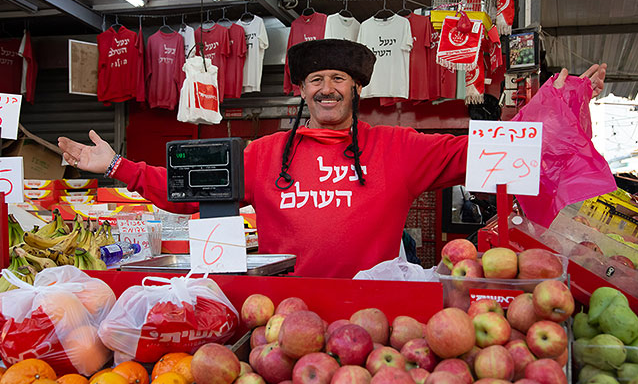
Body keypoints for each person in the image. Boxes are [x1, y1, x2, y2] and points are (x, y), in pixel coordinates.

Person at [58, 39, 607, 278]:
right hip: (283, 310)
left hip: (375, 312)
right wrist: (115, 167)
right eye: (316, 80)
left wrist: (560, 104)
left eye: (338, 79)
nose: (326, 89)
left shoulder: (399, 148)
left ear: (355, 90)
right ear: (301, 92)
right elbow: (183, 186)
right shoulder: (264, 154)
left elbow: (487, 151)